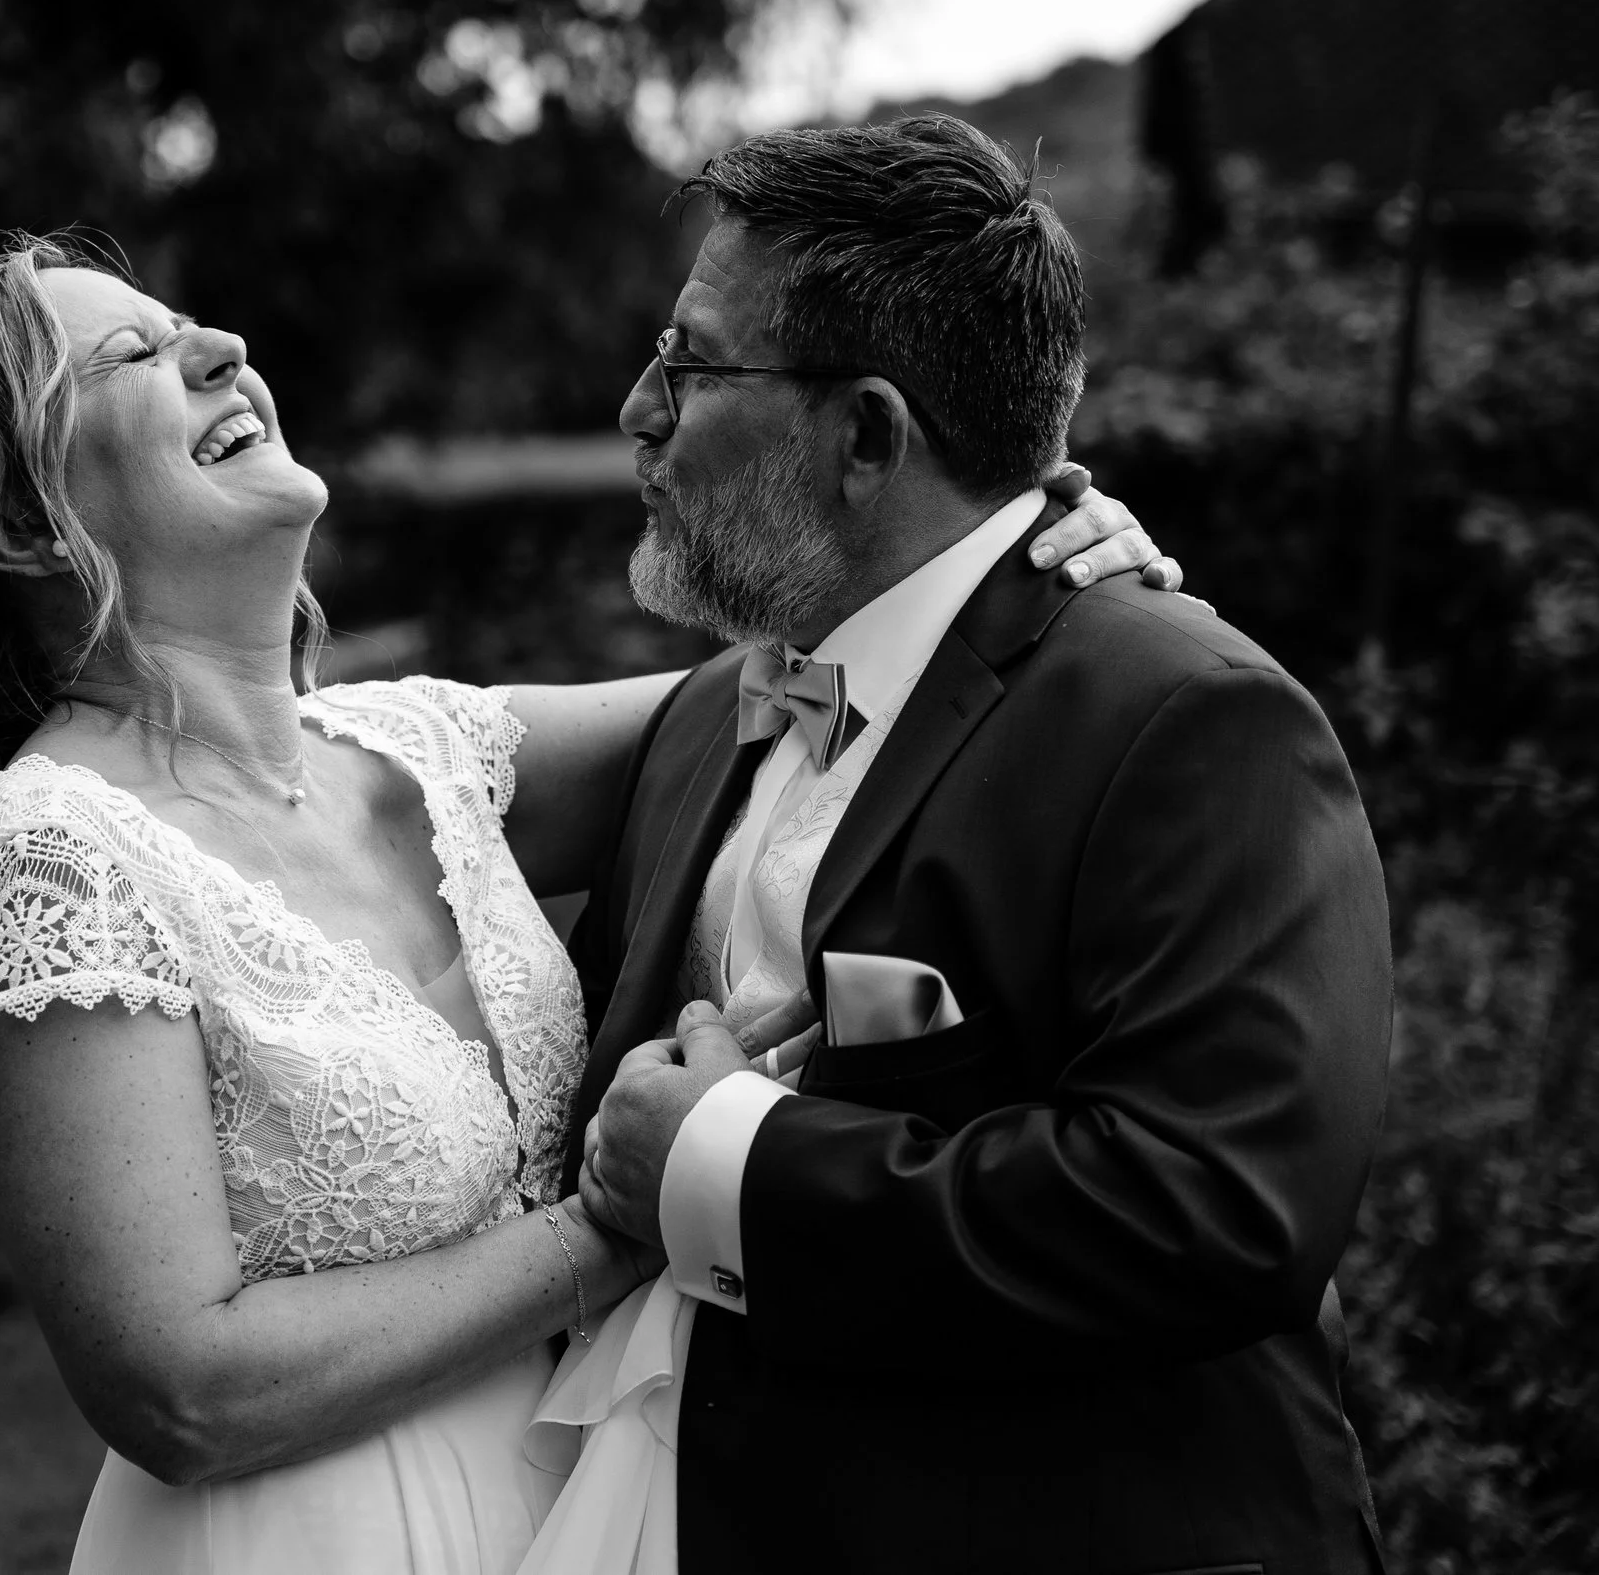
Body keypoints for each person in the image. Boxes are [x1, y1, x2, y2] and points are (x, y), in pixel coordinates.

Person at [0, 231, 1174, 1575]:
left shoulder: (428, 752)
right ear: (25, 518)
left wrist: (1010, 567)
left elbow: (828, 684)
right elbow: (176, 1386)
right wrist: (618, 1222)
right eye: (133, 356)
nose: (221, 347)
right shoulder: (52, 853)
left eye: (187, 327)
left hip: (583, 1508)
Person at [554, 115, 1394, 1575]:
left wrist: (728, 1161)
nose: (639, 407)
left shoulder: (1187, 717)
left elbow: (1219, 1205)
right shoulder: (702, 720)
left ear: (868, 434)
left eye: (690, 365)